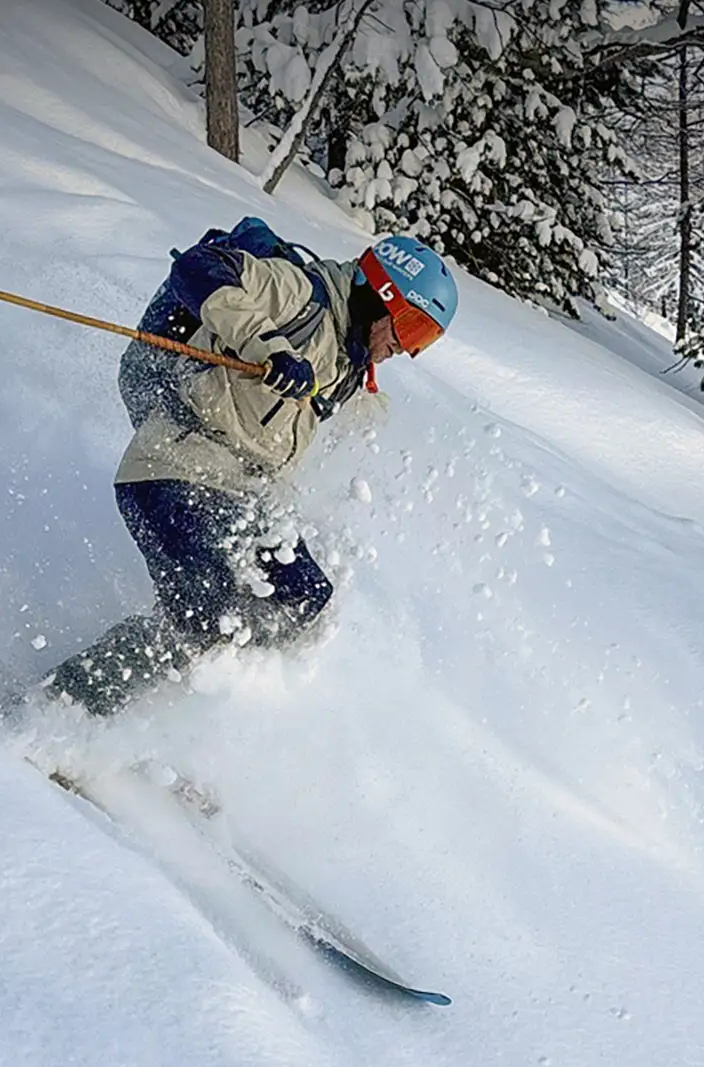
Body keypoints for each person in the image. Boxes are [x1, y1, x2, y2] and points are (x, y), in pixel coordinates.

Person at [36, 223, 458, 717]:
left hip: (244, 495)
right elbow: (196, 270)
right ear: (382, 296)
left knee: (307, 602)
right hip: (175, 469)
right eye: (412, 328)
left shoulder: (349, 359)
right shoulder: (299, 294)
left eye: (424, 340)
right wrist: (270, 348)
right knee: (207, 617)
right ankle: (56, 708)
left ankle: (175, 730)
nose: (407, 349)